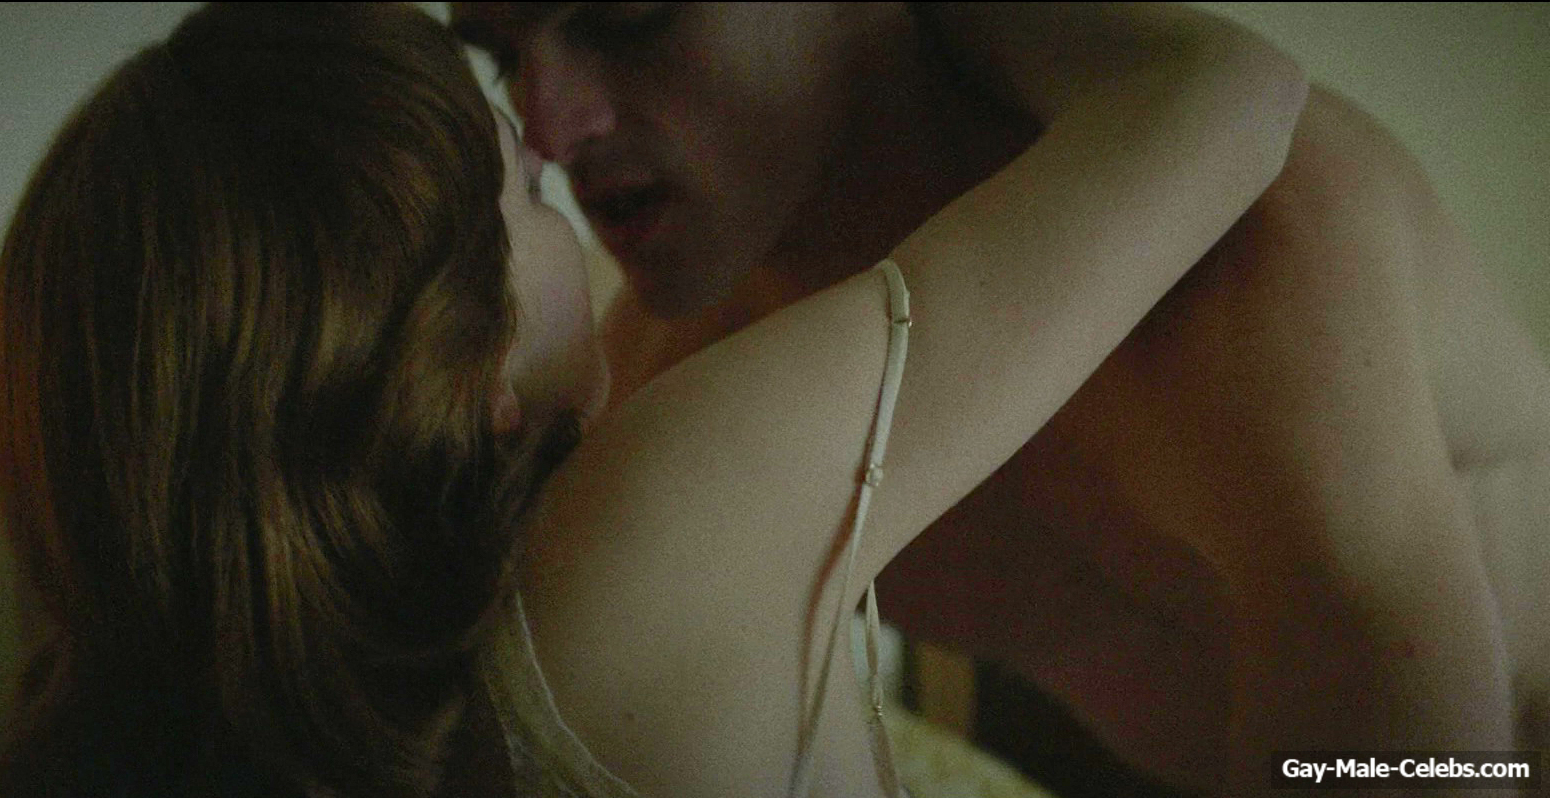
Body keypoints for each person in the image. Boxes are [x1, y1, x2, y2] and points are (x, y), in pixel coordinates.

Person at [0, 2, 1307, 795]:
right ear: (465, 365)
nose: (559, 139)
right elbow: (1226, 98)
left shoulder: (205, 702)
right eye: (526, 188)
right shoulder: (649, 531)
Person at [451, 1, 1547, 792]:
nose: (545, 128)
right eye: (502, 56)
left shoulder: (1259, 244)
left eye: (630, 16)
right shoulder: (684, 383)